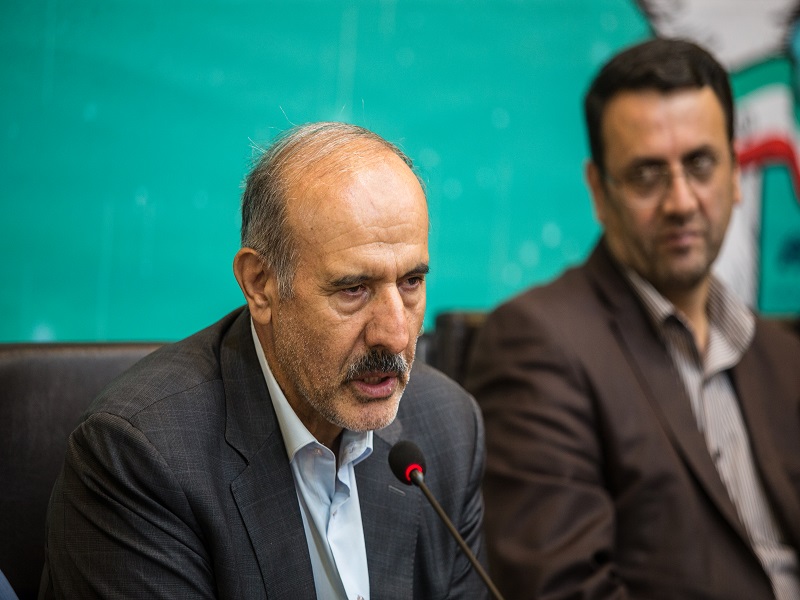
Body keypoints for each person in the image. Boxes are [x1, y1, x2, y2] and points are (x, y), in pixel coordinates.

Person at [40, 122, 488, 599]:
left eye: (411, 282)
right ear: (260, 284)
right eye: (354, 289)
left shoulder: (449, 427)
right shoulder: (142, 456)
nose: (396, 334)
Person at [464, 38, 800, 600]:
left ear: (735, 172)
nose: (681, 201)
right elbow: (563, 590)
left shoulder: (783, 357)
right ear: (599, 191)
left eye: (700, 164)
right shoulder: (537, 344)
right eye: (647, 174)